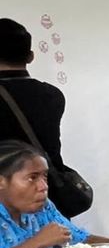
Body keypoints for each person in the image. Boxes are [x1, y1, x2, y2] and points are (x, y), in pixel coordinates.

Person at [0, 18, 73, 213]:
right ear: (31, 56)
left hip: (8, 203)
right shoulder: (53, 95)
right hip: (49, 193)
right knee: (63, 241)